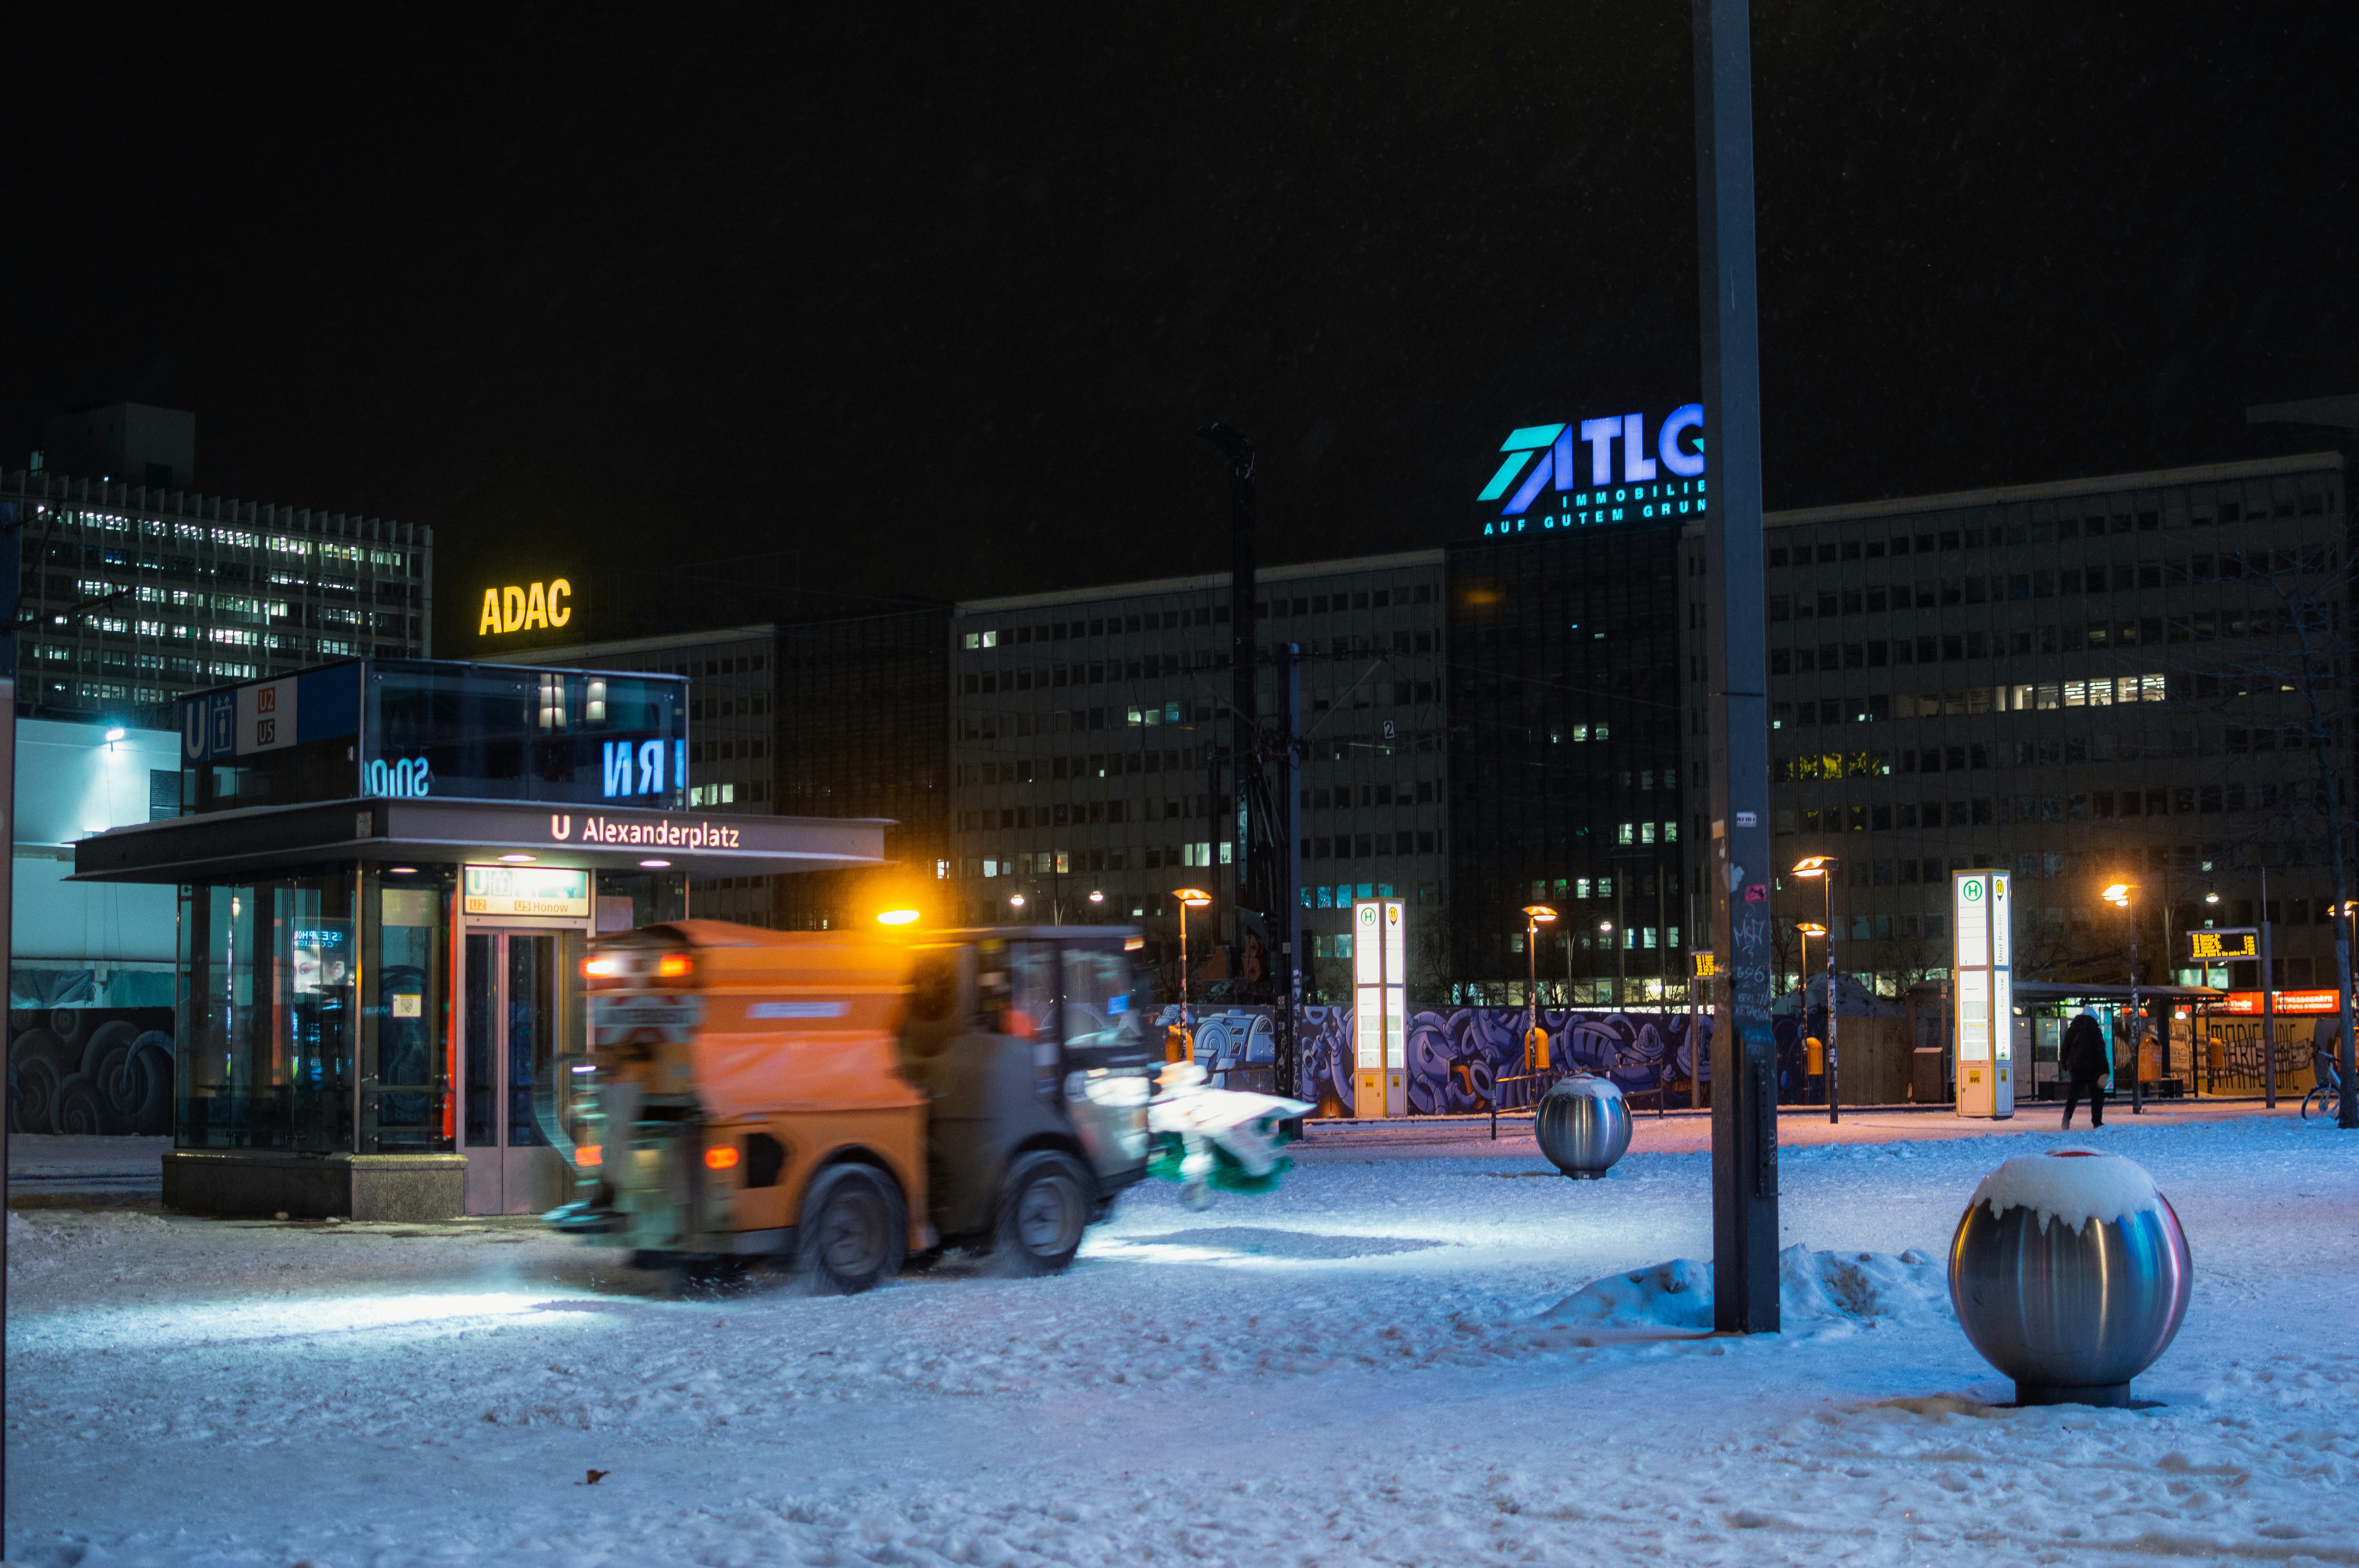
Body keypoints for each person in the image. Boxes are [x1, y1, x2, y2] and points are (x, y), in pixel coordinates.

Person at [2060, 1007, 2110, 1128]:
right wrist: (2105, 1070)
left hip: (2077, 1067)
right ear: (2093, 1018)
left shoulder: (2073, 1029)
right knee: (2097, 1095)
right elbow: (2100, 1052)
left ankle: (2067, 1119)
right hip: (2094, 1068)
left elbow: (2065, 1047)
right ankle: (2097, 1122)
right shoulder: (2095, 1030)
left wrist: (2065, 1064)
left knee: (2074, 1094)